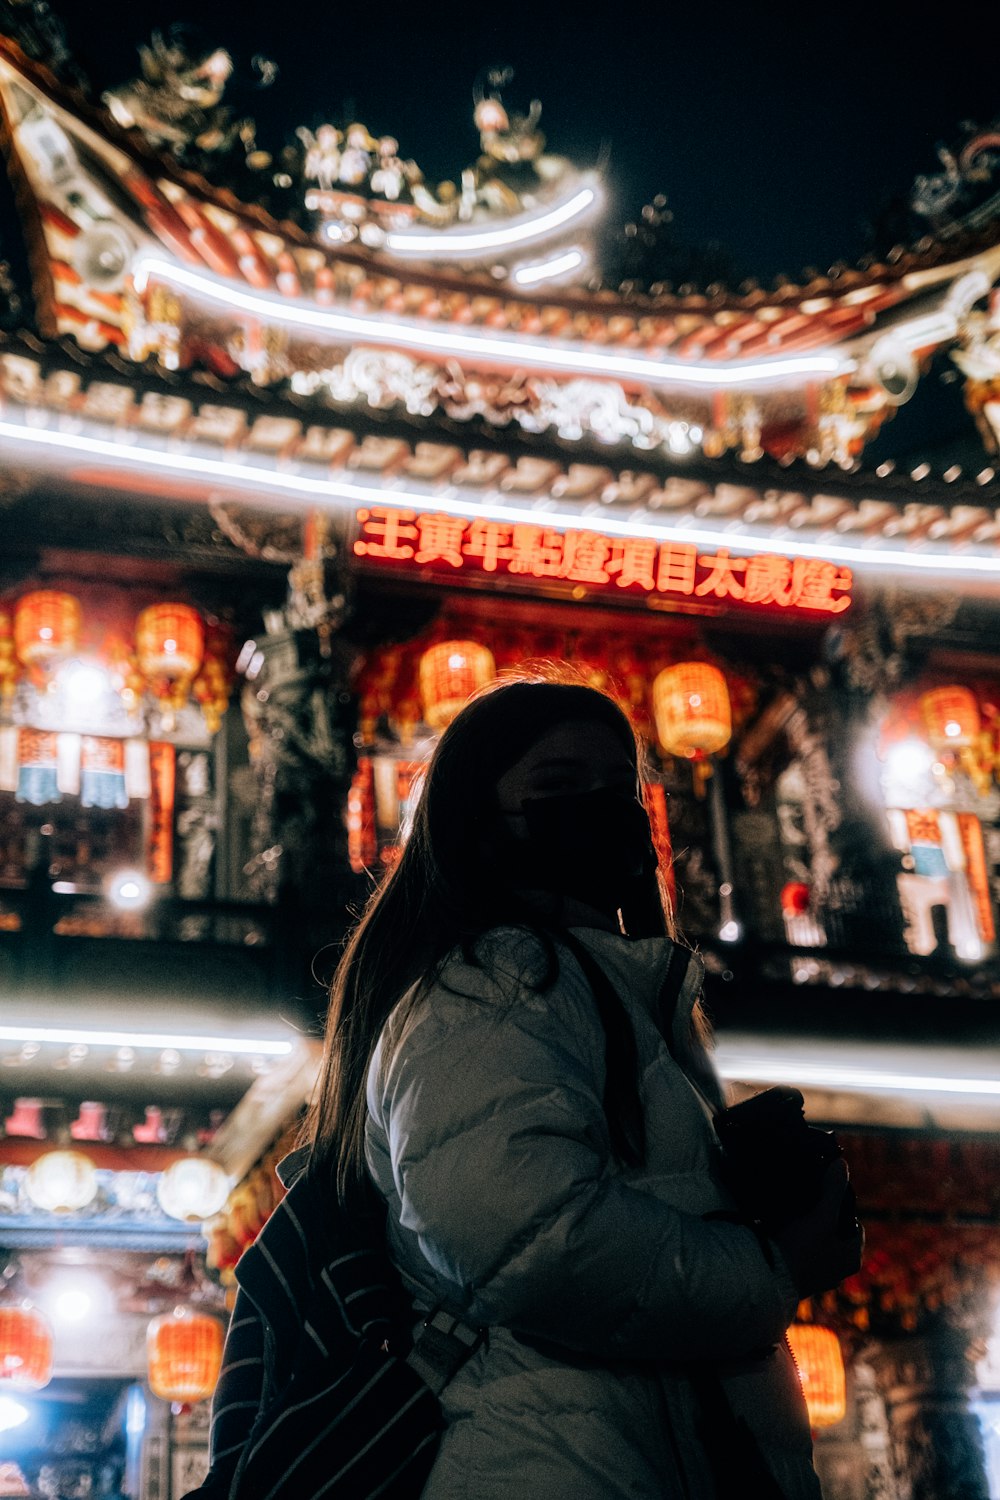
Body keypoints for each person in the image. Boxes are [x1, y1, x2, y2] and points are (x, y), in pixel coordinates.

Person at [301, 675, 862, 1499]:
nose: (602, 812)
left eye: (619, 791)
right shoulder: (502, 982)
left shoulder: (600, 988)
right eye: (559, 789)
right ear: (479, 822)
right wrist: (768, 1268)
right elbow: (522, 1234)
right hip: (562, 1463)